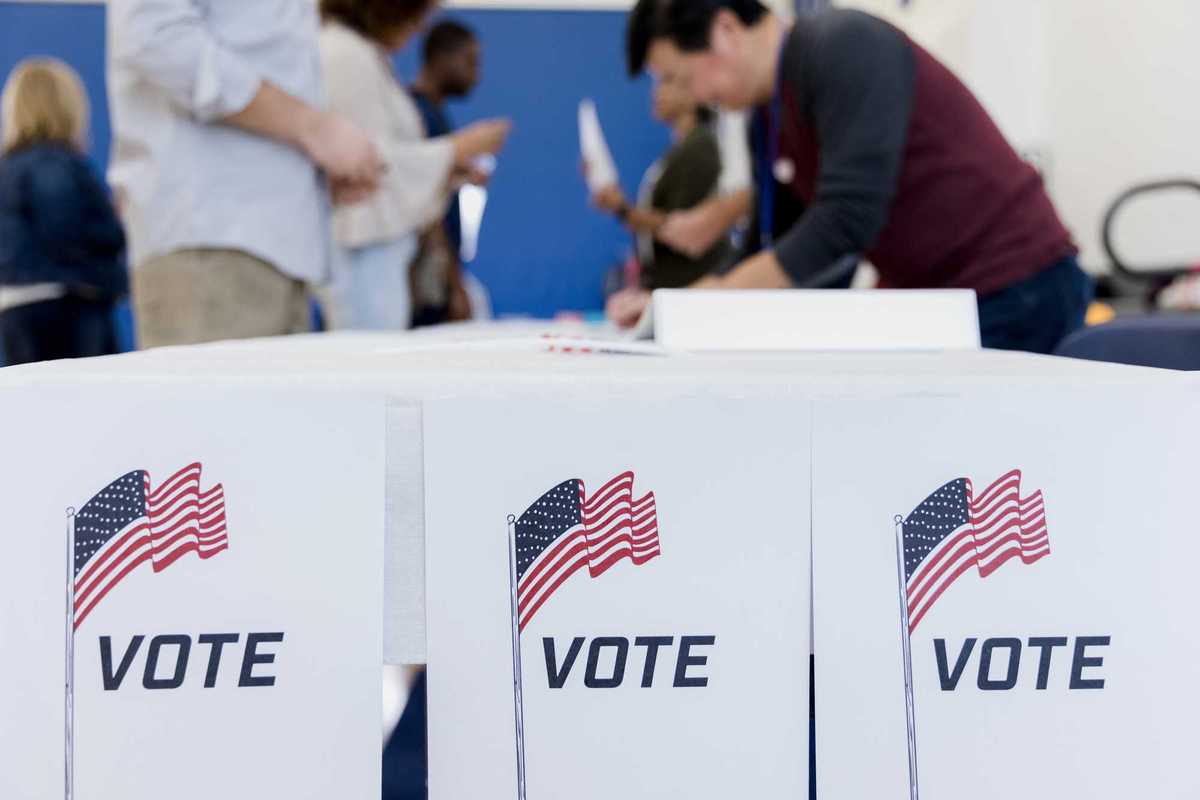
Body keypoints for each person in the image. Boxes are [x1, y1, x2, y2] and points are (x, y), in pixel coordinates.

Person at [614, 1, 1094, 354]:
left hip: (1014, 284)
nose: (688, 96)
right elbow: (772, 244)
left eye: (679, 77)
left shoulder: (842, 45)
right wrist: (676, 308)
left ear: (724, 30)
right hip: (936, 301)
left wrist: (718, 298)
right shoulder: (770, 113)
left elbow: (848, 216)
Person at [107, 0, 385, 348]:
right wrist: (311, 128)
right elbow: (154, 36)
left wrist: (307, 163)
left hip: (265, 252)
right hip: (214, 245)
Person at [318, 3, 509, 331]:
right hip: (362, 249)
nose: (419, 28)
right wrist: (456, 150)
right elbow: (368, 163)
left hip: (383, 255)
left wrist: (448, 169)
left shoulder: (365, 56)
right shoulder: (345, 55)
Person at [0, 59, 127, 365]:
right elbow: (63, 231)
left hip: (16, 305)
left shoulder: (8, 171)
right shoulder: (52, 165)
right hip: (66, 307)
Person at [592, 71, 732, 290]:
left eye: (667, 82)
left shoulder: (700, 146)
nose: (656, 92)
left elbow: (682, 226)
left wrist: (622, 209)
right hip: (672, 285)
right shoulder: (680, 149)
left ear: (694, 92)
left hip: (693, 287)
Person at [408, 20, 488, 327]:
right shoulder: (418, 116)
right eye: (470, 61)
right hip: (428, 281)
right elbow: (427, 208)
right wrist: (455, 287)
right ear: (441, 59)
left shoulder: (434, 115)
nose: (476, 74)